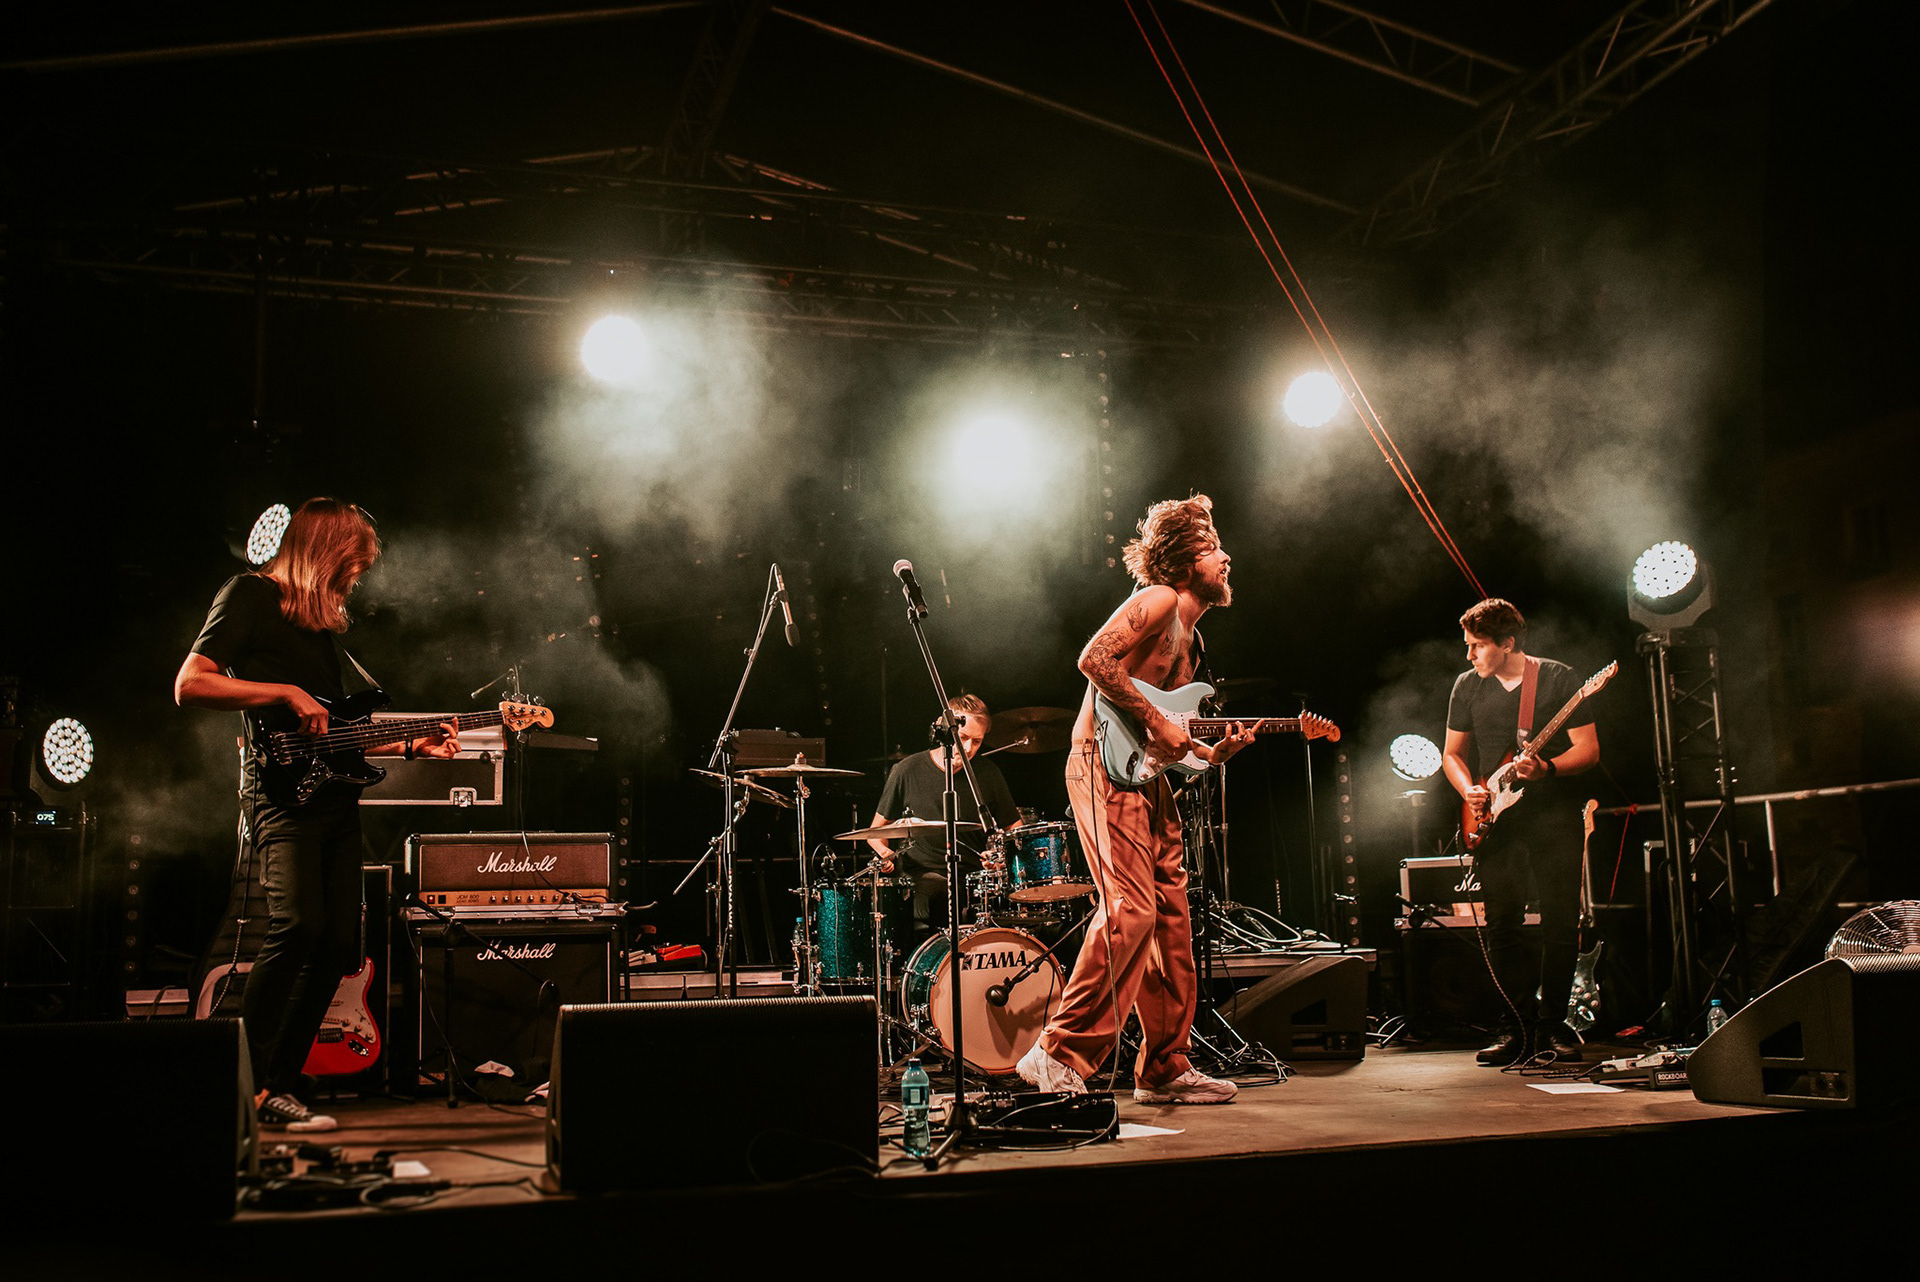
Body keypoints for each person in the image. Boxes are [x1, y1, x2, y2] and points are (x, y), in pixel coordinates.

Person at [175, 498, 458, 1132]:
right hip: (280, 798)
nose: (353, 583)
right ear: (323, 554)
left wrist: (412, 744)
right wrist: (282, 691)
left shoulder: (321, 633)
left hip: (333, 801)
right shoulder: (250, 594)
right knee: (298, 925)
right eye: (349, 569)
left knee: (337, 947)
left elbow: (336, 735)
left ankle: (275, 1085)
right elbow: (190, 684)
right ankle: (240, 1083)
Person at [1016, 494, 1254, 1105]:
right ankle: (1057, 1053)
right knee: (1131, 911)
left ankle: (1165, 1067)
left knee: (1171, 919)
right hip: (1100, 765)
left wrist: (1209, 754)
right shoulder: (1159, 599)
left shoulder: (1193, 641)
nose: (1225, 557)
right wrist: (1155, 721)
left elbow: (1171, 733)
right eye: (1211, 547)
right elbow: (1094, 659)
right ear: (1184, 561)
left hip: (1146, 778)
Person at [1441, 597, 1600, 1066]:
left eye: (1478, 646)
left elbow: (1588, 750)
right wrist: (1469, 789)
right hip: (1497, 818)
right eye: (1468, 645)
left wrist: (1548, 768)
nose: (1469, 655)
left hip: (1554, 816)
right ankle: (1514, 1026)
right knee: (1502, 923)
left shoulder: (1558, 679)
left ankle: (1553, 1026)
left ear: (1507, 644)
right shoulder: (1467, 686)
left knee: (1560, 920)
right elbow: (1451, 754)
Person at [865, 693, 1020, 940]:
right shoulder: (907, 770)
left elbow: (1015, 828)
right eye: (963, 738)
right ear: (945, 731)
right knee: (943, 893)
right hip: (922, 874)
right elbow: (875, 832)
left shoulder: (988, 773)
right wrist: (885, 853)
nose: (968, 748)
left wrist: (1000, 857)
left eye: (977, 742)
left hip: (974, 875)